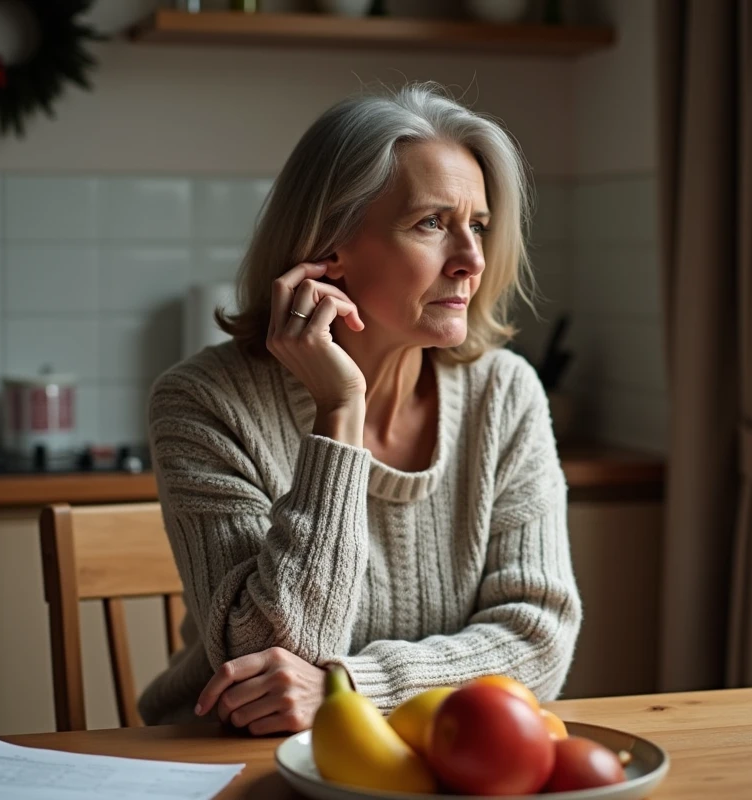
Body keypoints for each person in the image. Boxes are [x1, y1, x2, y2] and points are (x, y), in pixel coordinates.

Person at [138, 83, 581, 734]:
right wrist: (338, 412)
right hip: (224, 760)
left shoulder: (505, 393)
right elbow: (265, 656)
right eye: (432, 223)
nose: (472, 260)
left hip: (430, 763)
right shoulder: (203, 401)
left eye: (478, 226)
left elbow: (538, 641)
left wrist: (351, 689)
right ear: (330, 248)